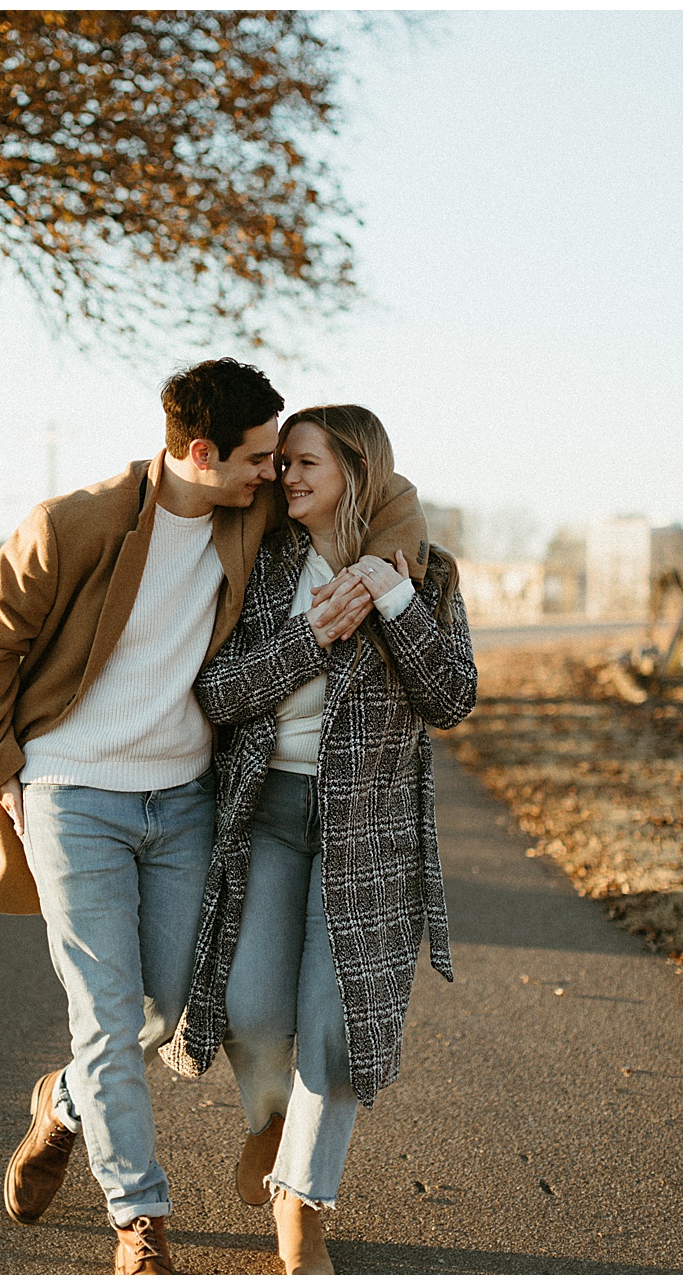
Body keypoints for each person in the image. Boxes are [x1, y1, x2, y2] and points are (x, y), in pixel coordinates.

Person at [0, 359, 427, 1273]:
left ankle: (64, 1102)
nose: (273, 476)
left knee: (174, 1012)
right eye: (258, 460)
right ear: (201, 453)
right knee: (104, 1012)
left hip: (183, 799)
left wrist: (376, 570)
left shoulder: (244, 516)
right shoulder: (70, 525)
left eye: (283, 461)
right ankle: (141, 1219)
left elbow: (384, 492)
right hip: (71, 793)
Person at [163, 405, 475, 1274]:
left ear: (355, 470)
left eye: (304, 463)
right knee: (253, 1011)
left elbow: (451, 698)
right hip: (266, 818)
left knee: (332, 1030)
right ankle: (268, 1119)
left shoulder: (430, 574)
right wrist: (313, 637)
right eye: (284, 462)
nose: (284, 477)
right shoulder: (263, 565)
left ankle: (301, 1205)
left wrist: (394, 599)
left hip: (368, 839)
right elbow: (218, 693)